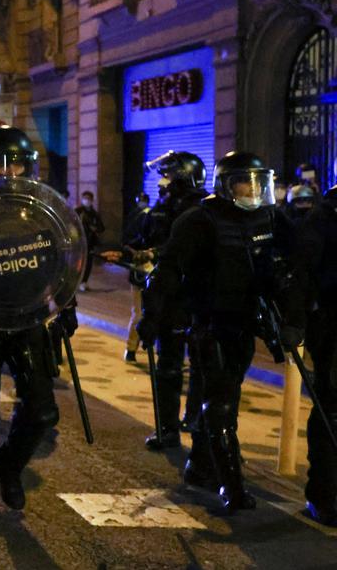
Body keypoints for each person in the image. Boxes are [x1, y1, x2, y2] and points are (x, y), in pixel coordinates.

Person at [140, 151, 303, 513]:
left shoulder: (272, 217)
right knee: (220, 401)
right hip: (209, 323)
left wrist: (293, 320)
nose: (254, 189)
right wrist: (151, 318)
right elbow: (167, 271)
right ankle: (231, 484)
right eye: (247, 182)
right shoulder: (200, 220)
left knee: (225, 391)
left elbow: (293, 268)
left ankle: (200, 464)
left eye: (260, 182)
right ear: (228, 185)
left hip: (246, 322)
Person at [0, 126, 78, 523]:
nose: (9, 172)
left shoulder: (40, 208)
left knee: (42, 411)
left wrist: (66, 304)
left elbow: (58, 261)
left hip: (27, 320)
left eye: (18, 163)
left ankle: (7, 468)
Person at [131, 150, 208, 450]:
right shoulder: (162, 207)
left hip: (196, 297)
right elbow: (147, 239)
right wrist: (133, 252)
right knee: (169, 366)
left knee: (202, 364)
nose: (163, 180)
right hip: (169, 296)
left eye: (169, 174)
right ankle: (168, 429)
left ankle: (197, 423)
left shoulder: (201, 210)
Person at [297, 182, 337, 526]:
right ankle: (324, 495)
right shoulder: (324, 217)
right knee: (330, 412)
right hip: (332, 328)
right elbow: (305, 275)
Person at [122, 193, 153, 361]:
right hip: (141, 272)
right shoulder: (139, 217)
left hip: (156, 273)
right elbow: (127, 242)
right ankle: (131, 349)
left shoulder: (157, 216)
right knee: (139, 313)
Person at [75, 190, 104, 291]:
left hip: (90, 242)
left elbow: (101, 227)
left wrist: (94, 228)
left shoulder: (94, 214)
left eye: (88, 199)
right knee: (78, 263)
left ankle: (84, 282)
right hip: (78, 242)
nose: (86, 200)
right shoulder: (78, 211)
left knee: (88, 263)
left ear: (92, 200)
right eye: (85, 198)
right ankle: (76, 282)